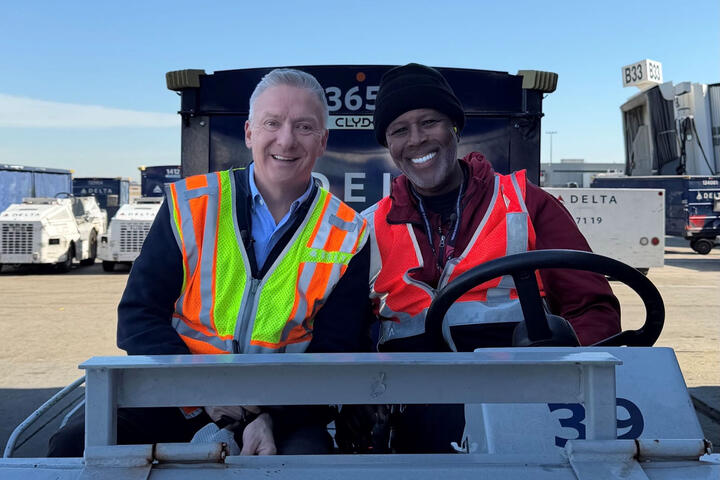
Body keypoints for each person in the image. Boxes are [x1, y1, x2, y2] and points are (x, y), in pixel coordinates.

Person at [48, 68, 371, 457]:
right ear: (250, 132)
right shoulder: (191, 205)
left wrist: (272, 417)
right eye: (273, 123)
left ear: (323, 141)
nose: (286, 139)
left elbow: (335, 351)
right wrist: (201, 394)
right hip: (178, 398)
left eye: (304, 127)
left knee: (308, 464)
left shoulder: (349, 233)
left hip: (285, 409)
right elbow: (138, 316)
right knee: (72, 447)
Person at [363, 63, 621, 453]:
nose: (416, 139)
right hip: (411, 409)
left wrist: (560, 377)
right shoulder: (367, 226)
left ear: (455, 129)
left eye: (429, 122)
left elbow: (592, 308)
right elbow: (347, 328)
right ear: (389, 144)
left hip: (524, 404)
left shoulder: (528, 203)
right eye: (400, 129)